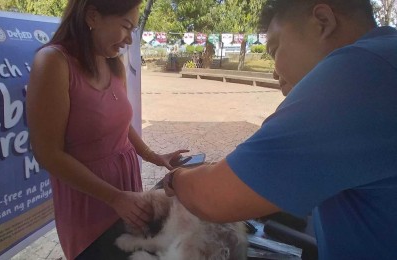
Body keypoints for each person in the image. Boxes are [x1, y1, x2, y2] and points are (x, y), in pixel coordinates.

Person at [163, 0, 397, 259]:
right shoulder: (385, 58)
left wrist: (175, 178)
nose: (275, 73)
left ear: (322, 21)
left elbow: (212, 197)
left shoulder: (357, 75)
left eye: (275, 50)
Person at [26, 0, 187, 259]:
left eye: (133, 30)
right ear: (92, 16)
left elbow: (120, 125)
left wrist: (152, 156)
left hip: (126, 188)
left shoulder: (113, 64)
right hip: (89, 198)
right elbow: (48, 154)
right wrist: (114, 198)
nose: (129, 40)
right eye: (126, 27)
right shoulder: (53, 63)